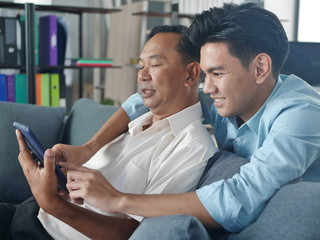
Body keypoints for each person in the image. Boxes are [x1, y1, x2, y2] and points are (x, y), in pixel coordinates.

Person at [17, 2, 320, 239]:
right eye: (204, 73)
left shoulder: (300, 116)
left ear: (260, 68)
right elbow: (141, 101)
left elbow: (237, 199)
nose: (207, 86)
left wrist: (118, 200)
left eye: (217, 73)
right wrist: (89, 148)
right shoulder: (230, 96)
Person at [11, 25, 216, 239]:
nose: (142, 76)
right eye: (140, 66)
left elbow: (136, 233)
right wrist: (61, 184)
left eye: (155, 65)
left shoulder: (191, 147)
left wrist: (51, 203)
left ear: (191, 74)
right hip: (32, 212)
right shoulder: (138, 119)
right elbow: (134, 104)